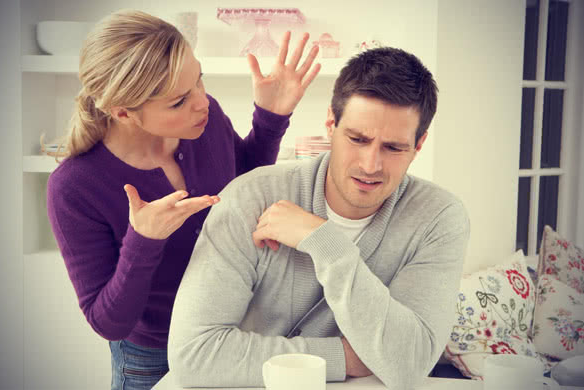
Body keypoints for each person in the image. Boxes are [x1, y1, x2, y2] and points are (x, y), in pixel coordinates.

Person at [46, 9, 321, 390]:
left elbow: (242, 185)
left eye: (200, 80)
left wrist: (271, 118)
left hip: (236, 332)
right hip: (152, 359)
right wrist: (143, 241)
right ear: (123, 111)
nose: (202, 102)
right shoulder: (75, 187)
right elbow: (109, 323)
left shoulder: (206, 124)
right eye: (178, 101)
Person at [168, 46, 471, 390]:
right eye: (357, 139)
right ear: (330, 123)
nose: (370, 165)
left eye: (394, 148)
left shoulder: (439, 218)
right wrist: (343, 356)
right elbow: (193, 356)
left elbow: (409, 364)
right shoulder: (249, 198)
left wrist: (327, 244)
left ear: (419, 145)